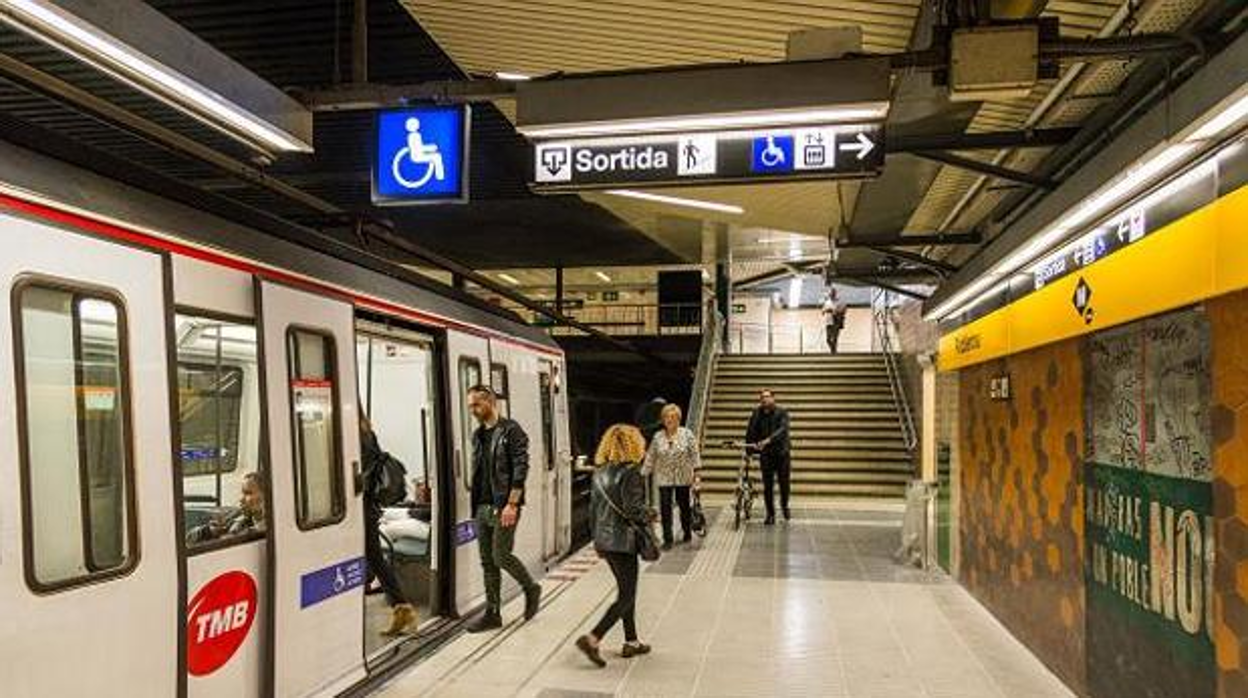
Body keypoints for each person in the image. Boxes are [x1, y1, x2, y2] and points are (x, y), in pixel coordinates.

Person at [465, 385, 542, 633]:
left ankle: (531, 588)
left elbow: (521, 468)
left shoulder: (512, 431)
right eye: (470, 406)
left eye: (476, 405)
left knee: (501, 555)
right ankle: (493, 613)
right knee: (487, 562)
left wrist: (512, 504)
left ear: (490, 402)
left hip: (504, 505)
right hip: (482, 507)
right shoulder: (477, 436)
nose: (473, 410)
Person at [576, 424, 652, 667]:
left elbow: (592, 512)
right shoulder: (632, 472)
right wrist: (650, 513)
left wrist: (597, 540)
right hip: (623, 541)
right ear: (633, 444)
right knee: (627, 595)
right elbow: (633, 509)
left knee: (625, 591)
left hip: (605, 540)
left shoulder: (600, 472)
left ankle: (631, 640)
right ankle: (593, 637)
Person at [361, 414, 417, 636]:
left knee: (373, 558)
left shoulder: (358, 437)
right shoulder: (368, 434)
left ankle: (402, 608)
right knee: (374, 557)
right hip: (368, 508)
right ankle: (402, 608)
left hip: (362, 508)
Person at [642, 404, 699, 549]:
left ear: (678, 419)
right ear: (663, 419)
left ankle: (687, 531)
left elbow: (694, 454)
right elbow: (651, 456)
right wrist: (643, 473)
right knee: (665, 508)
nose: (670, 420)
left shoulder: (687, 434)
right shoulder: (658, 436)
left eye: (673, 417)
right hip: (664, 477)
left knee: (684, 506)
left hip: (683, 476)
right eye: (667, 417)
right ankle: (668, 539)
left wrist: (697, 474)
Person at [745, 389, 791, 524]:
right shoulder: (756, 414)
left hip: (782, 454)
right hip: (766, 455)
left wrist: (767, 440)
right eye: (762, 397)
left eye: (767, 397)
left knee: (784, 484)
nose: (764, 399)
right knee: (768, 486)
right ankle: (770, 514)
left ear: (773, 398)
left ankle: (784, 505)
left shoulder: (782, 413)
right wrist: (749, 452)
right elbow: (750, 431)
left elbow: (782, 430)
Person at [187, 472, 265, 544]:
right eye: (243, 493)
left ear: (265, 496)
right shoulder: (236, 517)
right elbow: (189, 539)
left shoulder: (268, 530)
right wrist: (209, 531)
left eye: (248, 493)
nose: (241, 499)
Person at [821, 289, 848, 353]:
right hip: (828, 322)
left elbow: (844, 309)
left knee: (835, 339)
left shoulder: (839, 302)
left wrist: (835, 311)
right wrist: (825, 310)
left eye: (833, 293)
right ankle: (834, 350)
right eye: (830, 293)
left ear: (835, 294)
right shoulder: (827, 302)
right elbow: (822, 311)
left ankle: (833, 352)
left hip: (836, 322)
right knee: (828, 339)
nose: (831, 294)